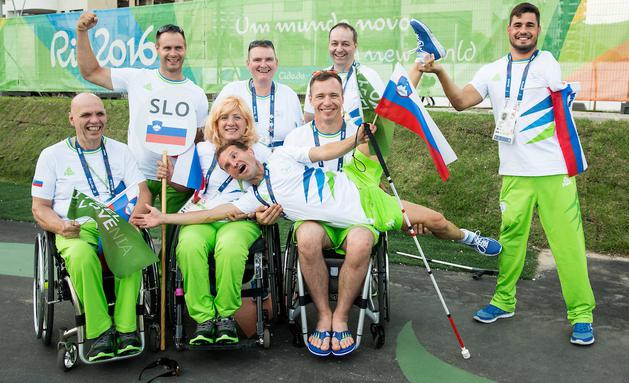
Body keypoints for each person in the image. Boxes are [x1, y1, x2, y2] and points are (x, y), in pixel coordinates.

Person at [135, 124, 502, 357]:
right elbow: (211, 213)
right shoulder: (257, 198)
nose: (233, 164)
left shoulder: (281, 158)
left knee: (435, 220)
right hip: (340, 229)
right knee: (321, 237)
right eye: (228, 166)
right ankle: (328, 320)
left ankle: (470, 238)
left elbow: (322, 152)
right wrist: (164, 217)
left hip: (367, 203)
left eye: (235, 155)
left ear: (249, 151)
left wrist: (352, 141)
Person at [423, 2, 596, 345]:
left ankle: (582, 315)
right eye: (518, 24)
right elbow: (460, 102)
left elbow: (558, 92)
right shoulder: (491, 71)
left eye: (530, 25)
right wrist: (440, 72)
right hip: (515, 174)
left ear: (537, 30)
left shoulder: (545, 62)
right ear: (509, 29)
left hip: (553, 173)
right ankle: (504, 301)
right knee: (512, 241)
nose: (523, 30)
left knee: (568, 245)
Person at [31, 93, 152, 361]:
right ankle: (99, 332)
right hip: (75, 226)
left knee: (131, 249)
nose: (94, 120)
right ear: (72, 119)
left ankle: (127, 328)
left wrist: (137, 216)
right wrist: (60, 226)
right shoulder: (52, 155)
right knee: (82, 257)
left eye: (99, 114)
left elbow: (142, 192)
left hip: (114, 222)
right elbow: (39, 207)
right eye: (86, 115)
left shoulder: (121, 150)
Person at [152, 96, 270, 345]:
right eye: (224, 117)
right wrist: (169, 175)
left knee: (229, 247)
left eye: (237, 117)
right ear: (215, 123)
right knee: (189, 246)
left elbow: (268, 189)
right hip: (201, 215)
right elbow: (185, 185)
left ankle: (226, 316)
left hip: (240, 218)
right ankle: (204, 318)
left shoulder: (260, 152)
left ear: (246, 122)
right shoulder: (202, 150)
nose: (231, 122)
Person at [76, 14, 209, 214]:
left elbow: (199, 140)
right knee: (130, 234)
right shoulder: (137, 78)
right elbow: (91, 72)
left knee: (173, 241)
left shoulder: (197, 94)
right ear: (157, 49)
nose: (173, 53)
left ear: (185, 49)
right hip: (137, 175)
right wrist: (82, 32)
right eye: (167, 48)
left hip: (175, 180)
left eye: (178, 48)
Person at [213, 40, 302, 149]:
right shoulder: (231, 91)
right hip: (242, 162)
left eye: (269, 59)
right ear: (248, 64)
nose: (263, 65)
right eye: (257, 60)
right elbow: (214, 130)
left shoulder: (289, 95)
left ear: (276, 63)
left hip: (282, 161)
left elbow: (299, 136)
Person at [303, 23, 385, 126]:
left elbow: (383, 117)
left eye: (345, 44)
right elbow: (309, 117)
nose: (339, 49)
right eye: (334, 43)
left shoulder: (369, 76)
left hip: (360, 140)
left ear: (355, 46)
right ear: (329, 45)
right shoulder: (318, 78)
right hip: (327, 141)